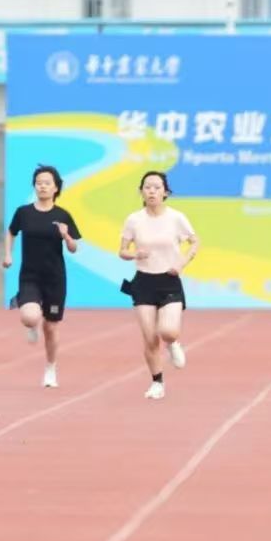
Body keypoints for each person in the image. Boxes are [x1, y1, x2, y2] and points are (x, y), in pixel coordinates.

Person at [119, 171, 200, 400]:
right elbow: (122, 251)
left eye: (157, 187)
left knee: (168, 331)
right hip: (143, 281)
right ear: (141, 192)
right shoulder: (134, 220)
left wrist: (182, 263)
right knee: (149, 338)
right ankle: (157, 382)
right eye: (147, 187)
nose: (152, 191)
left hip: (169, 280)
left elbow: (195, 242)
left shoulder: (176, 218)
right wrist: (134, 253)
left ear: (165, 192)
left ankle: (173, 343)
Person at [3, 165, 82, 388]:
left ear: (56, 188)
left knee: (51, 327)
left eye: (47, 183)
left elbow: (74, 248)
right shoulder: (24, 212)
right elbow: (11, 232)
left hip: (55, 278)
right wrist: (8, 254)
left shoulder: (62, 215)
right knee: (30, 317)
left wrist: (66, 237)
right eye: (39, 183)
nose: (42, 186)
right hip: (30, 275)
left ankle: (50, 367)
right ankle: (31, 324)